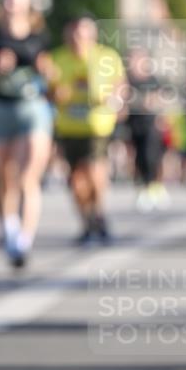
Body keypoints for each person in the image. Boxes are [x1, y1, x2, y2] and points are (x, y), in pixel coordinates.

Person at [0, 0, 53, 268]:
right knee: (4, 177)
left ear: (27, 4)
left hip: (31, 109)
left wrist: (48, 71)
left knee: (27, 176)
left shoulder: (39, 37)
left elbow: (51, 73)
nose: (11, 2)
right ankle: (9, 228)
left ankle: (24, 240)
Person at [51, 15, 126, 244]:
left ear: (92, 35)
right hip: (69, 126)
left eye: (83, 33)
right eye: (74, 33)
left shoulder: (106, 57)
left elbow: (120, 85)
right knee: (76, 180)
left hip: (98, 124)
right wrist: (55, 94)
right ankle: (87, 221)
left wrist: (116, 100)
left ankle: (99, 212)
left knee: (95, 171)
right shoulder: (57, 58)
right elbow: (47, 89)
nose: (78, 38)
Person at [125, 47, 169, 211]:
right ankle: (143, 188)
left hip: (150, 124)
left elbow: (159, 100)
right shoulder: (128, 79)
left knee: (151, 156)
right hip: (133, 124)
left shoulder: (152, 80)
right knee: (137, 158)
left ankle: (154, 186)